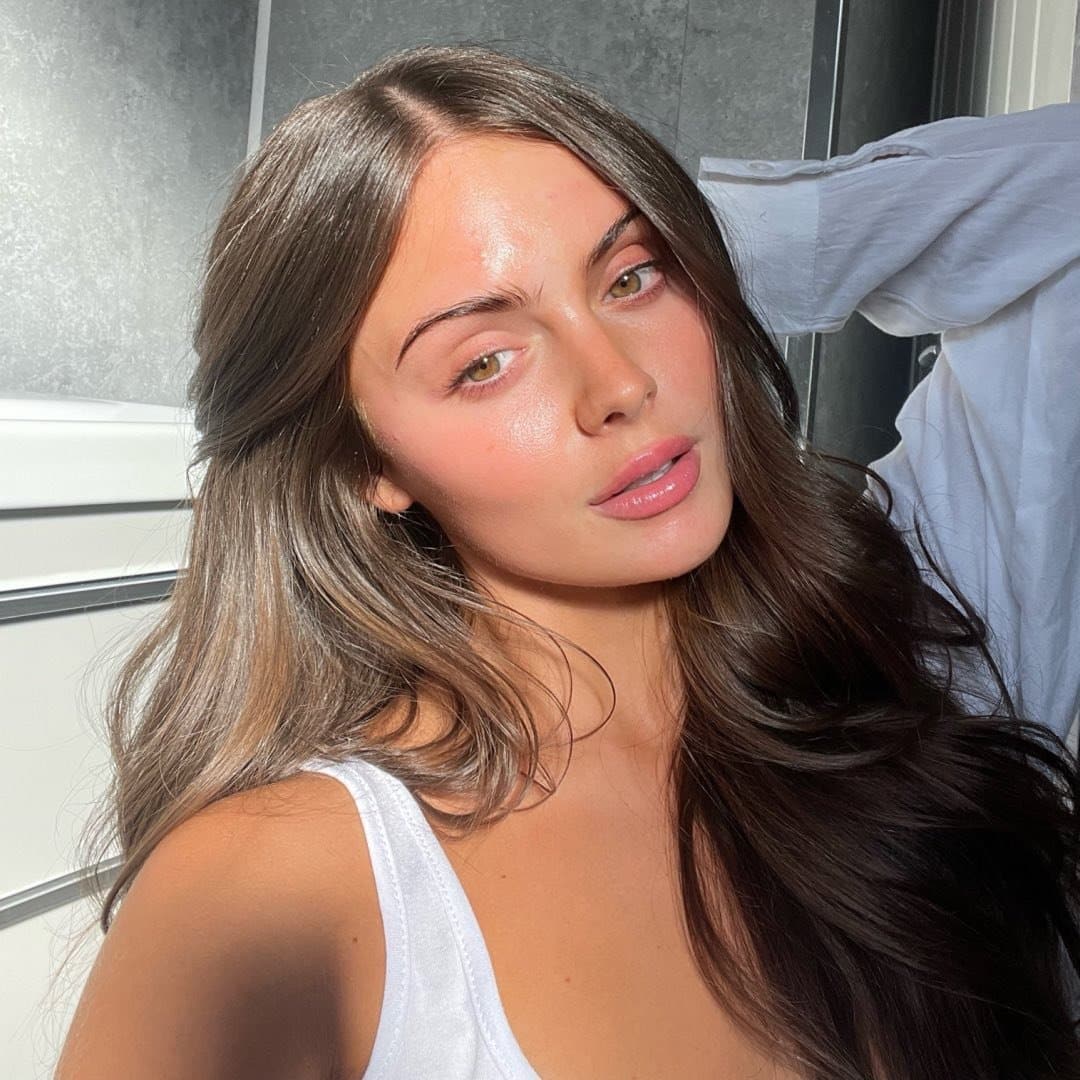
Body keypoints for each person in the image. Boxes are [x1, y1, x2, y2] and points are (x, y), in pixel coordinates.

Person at [56, 43, 1080, 1080]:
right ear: (367, 461)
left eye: (633, 278)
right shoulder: (271, 893)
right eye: (485, 361)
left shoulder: (904, 637)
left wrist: (710, 244)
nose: (619, 385)